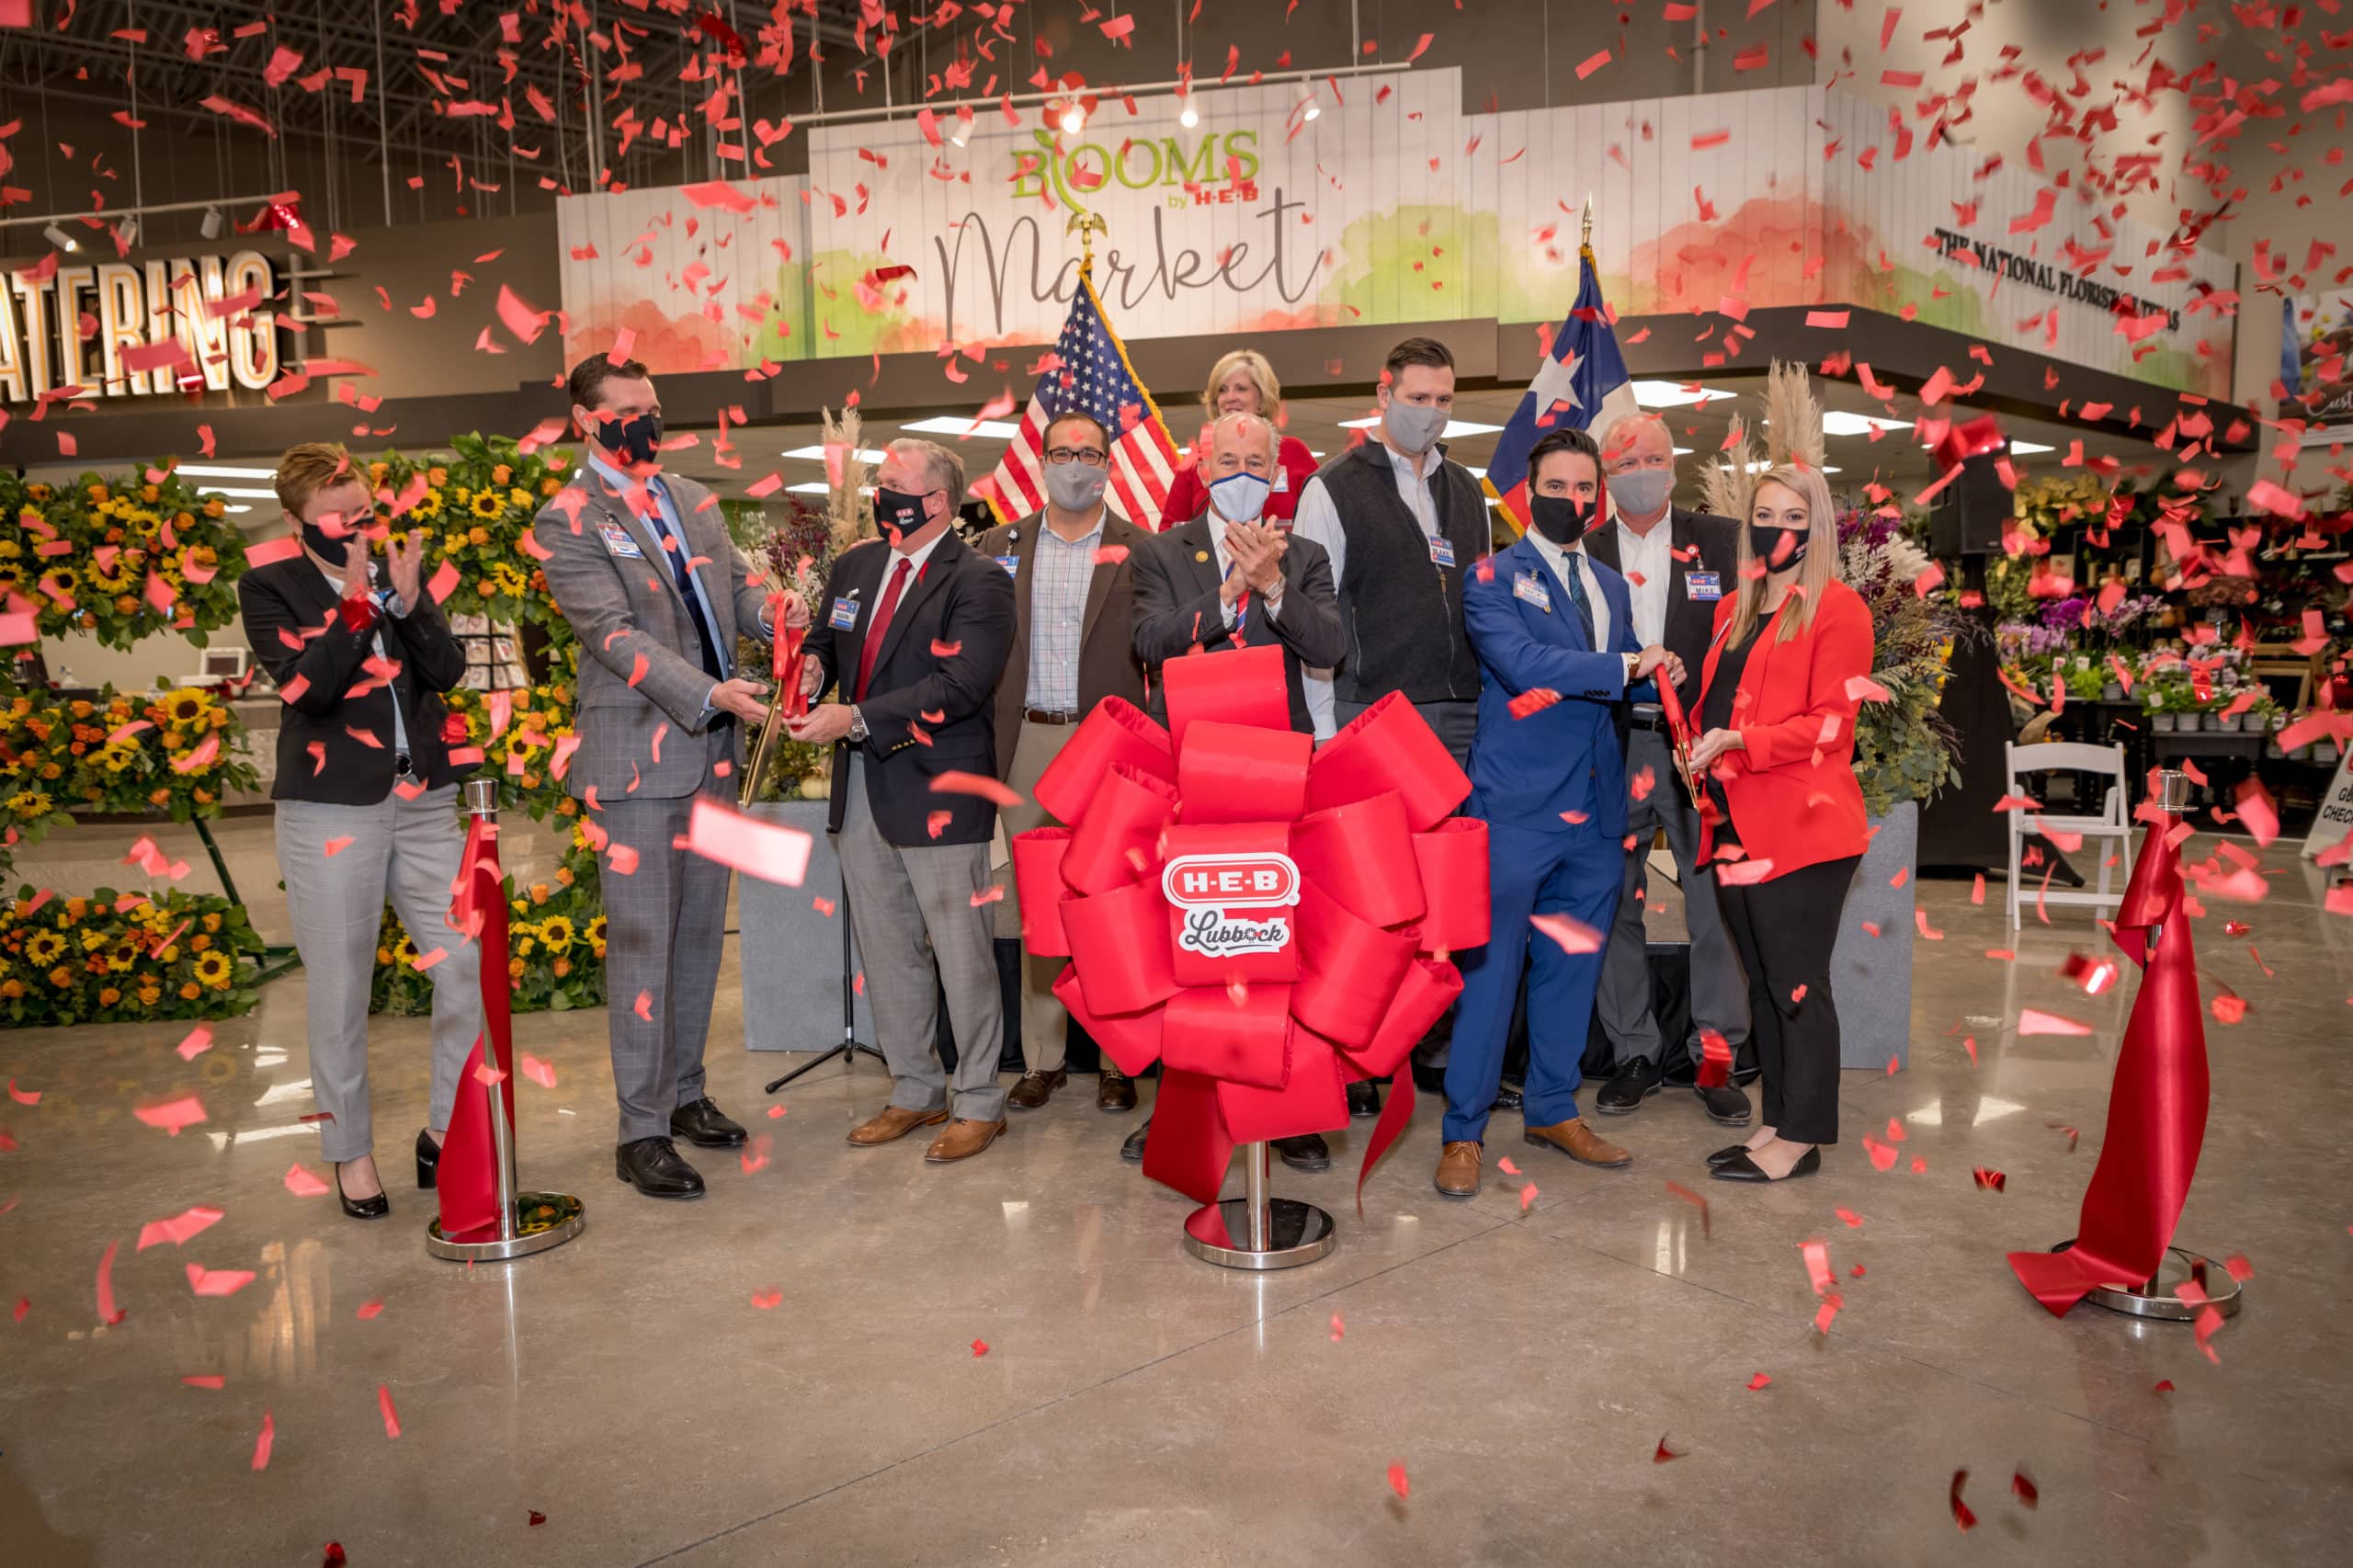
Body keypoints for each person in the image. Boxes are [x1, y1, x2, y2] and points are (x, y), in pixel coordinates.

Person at [535, 353, 784, 1200]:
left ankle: (684, 1095)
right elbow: (610, 633)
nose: (647, 420)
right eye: (629, 409)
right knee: (642, 949)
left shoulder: (690, 497)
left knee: (698, 938)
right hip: (636, 764)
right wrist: (708, 690)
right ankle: (638, 1129)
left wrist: (780, 614)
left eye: (654, 405)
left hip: (713, 756)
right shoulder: (567, 517)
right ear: (586, 420)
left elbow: (738, 593)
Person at [1434, 426, 1682, 1199]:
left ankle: (1550, 1108)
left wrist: (1657, 673)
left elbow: (1625, 679)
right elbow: (1525, 666)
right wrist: (1623, 665)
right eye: (1559, 488)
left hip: (1599, 809)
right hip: (1514, 809)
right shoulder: (1490, 576)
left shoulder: (1610, 586)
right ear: (1528, 493)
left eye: (1586, 490)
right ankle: (1463, 1130)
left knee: (1572, 969)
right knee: (1491, 972)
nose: (1574, 501)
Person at [238, 441, 478, 1221]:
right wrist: (354, 606)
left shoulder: (397, 569)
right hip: (330, 811)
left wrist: (404, 605)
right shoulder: (268, 586)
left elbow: (447, 672)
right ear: (297, 520)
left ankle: (446, 1131)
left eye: (364, 513)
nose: (356, 529)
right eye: (338, 519)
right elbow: (308, 692)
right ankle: (350, 1153)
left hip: (425, 800)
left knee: (467, 967)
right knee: (341, 987)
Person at [1125, 409, 1347, 1170]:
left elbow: (1330, 646)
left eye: (1257, 461)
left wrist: (1275, 586)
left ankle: (1286, 1108)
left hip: (1278, 774)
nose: (1243, 473)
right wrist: (1225, 598)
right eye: (1228, 460)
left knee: (1279, 941)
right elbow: (1149, 640)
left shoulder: (1306, 554)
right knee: (1191, 936)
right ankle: (1188, 1102)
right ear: (1202, 467)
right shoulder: (1160, 551)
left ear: (1279, 474)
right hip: (1188, 772)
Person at [792, 439, 1019, 1164]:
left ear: (937, 502)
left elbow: (959, 689)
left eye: (893, 483)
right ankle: (916, 1089)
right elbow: (830, 640)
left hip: (939, 788)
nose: (880, 491)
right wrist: (810, 666)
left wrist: (853, 717)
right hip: (862, 790)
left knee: (961, 954)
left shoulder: (980, 580)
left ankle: (979, 1099)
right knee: (888, 950)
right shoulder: (858, 565)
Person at [1291, 335, 1491, 1117]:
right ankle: (1365, 1052)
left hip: (1462, 716)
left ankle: (1434, 1046)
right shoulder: (1331, 488)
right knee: (1376, 901)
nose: (1432, 416)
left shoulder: (1468, 490)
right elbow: (1315, 615)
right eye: (1418, 399)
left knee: (1444, 896)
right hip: (1372, 718)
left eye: (1444, 402)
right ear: (1384, 394)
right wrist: (1323, 735)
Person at [1688, 463, 1871, 1184]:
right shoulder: (1732, 607)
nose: (1778, 529)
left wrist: (1742, 743)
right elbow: (1722, 701)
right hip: (1733, 820)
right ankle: (1776, 1121)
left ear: (1816, 527)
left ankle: (1804, 1137)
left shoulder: (1838, 608)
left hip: (1803, 825)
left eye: (1794, 517)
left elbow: (1834, 723)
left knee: (1798, 984)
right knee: (1761, 984)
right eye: (1765, 514)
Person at [1582, 412, 1752, 1126]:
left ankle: (1717, 1056)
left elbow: (1746, 641)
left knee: (1712, 901)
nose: (1642, 470)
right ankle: (1635, 1054)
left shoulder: (1721, 541)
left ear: (1674, 463)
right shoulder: (1581, 551)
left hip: (1700, 749)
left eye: (1654, 457)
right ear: (1605, 476)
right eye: (1625, 463)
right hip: (1613, 744)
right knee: (1612, 902)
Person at [979, 410, 1152, 1113]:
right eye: (1062, 452)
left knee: (1111, 903)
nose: (1074, 463)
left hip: (1108, 746)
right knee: (1037, 908)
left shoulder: (1143, 550)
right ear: (1042, 462)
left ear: (1109, 465)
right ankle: (1044, 1059)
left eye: (1089, 453)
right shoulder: (997, 546)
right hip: (1025, 743)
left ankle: (1116, 1062)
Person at [1156, 348, 1321, 527]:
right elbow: (1170, 532)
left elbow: (1320, 518)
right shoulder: (1197, 459)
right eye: (1222, 390)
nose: (1230, 398)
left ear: (1262, 399)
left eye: (1241, 389)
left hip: (1285, 553)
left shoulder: (1293, 451)